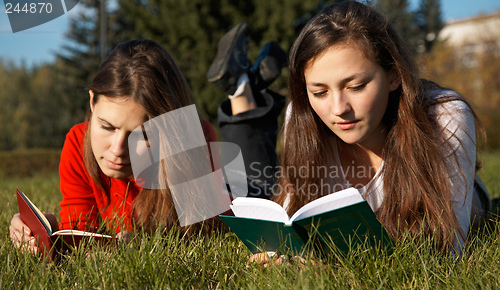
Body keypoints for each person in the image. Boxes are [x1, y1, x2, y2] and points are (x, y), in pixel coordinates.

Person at [210, 1, 491, 256]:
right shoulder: (303, 112)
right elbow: (288, 221)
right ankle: (245, 90)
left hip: (462, 197)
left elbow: (449, 247)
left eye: (355, 87)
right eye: (319, 92)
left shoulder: (443, 115)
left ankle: (247, 88)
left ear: (393, 75)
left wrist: (331, 261)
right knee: (254, 187)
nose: (338, 109)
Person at [10, 39, 224, 254]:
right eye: (107, 127)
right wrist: (48, 232)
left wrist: (142, 246)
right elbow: (81, 233)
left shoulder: (196, 140)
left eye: (142, 136)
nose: (118, 149)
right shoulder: (77, 141)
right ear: (93, 101)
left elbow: (211, 232)